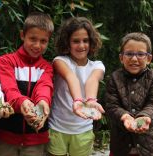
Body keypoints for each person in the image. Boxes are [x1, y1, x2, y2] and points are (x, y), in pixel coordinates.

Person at [0, 12, 54, 156]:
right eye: (33, 39)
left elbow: (44, 87)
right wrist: (23, 102)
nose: (37, 45)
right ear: (22, 35)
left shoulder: (47, 67)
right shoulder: (6, 61)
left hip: (36, 140)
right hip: (6, 137)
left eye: (43, 41)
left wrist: (43, 102)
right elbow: (9, 89)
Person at [47, 17, 105, 156]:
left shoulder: (97, 65)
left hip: (83, 129)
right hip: (57, 128)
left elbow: (92, 79)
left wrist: (91, 100)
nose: (81, 45)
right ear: (67, 43)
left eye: (85, 40)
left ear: (91, 42)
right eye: (76, 41)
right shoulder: (60, 61)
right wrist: (78, 101)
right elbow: (70, 77)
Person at [104, 32, 153, 156]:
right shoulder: (115, 78)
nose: (134, 58)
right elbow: (111, 105)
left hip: (148, 144)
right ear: (121, 57)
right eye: (129, 54)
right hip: (120, 145)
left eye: (140, 54)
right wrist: (124, 116)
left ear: (149, 58)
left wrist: (146, 116)